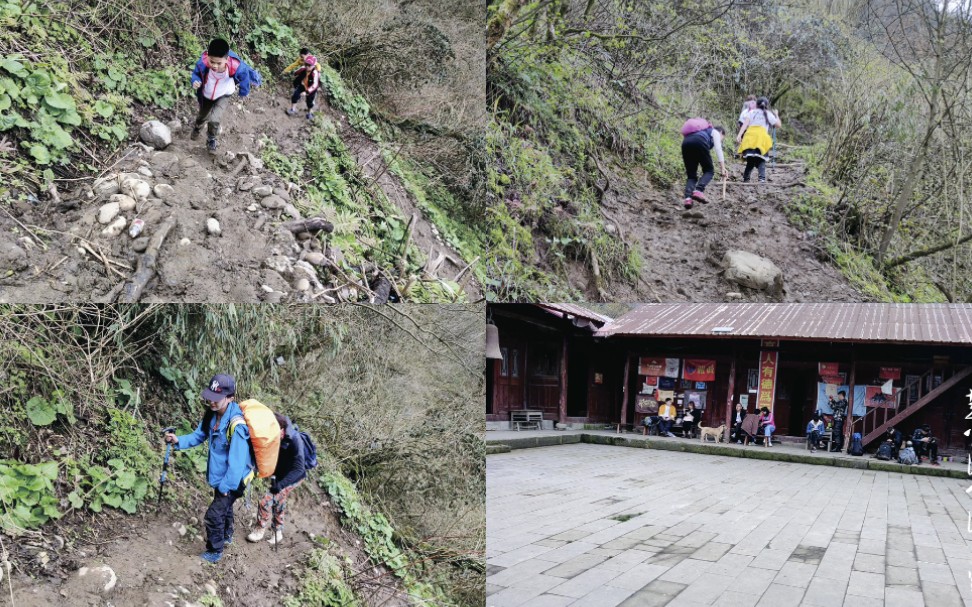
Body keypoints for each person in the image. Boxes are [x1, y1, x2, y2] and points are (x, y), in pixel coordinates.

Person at [164, 374, 255, 563]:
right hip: (220, 475)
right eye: (209, 397)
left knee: (213, 515)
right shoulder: (212, 415)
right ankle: (227, 534)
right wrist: (178, 440)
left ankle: (215, 551)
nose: (211, 402)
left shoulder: (237, 426)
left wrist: (225, 487)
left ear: (230, 398)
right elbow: (199, 435)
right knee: (224, 507)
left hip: (235, 479)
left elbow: (237, 464)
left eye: (216, 398)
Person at [247, 414, 307, 545]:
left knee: (266, 501)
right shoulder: (273, 435)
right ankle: (277, 532)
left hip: (294, 476)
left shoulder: (295, 440)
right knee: (279, 501)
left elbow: (298, 469)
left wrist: (281, 485)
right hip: (279, 474)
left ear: (283, 429)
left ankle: (259, 529)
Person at [190, 39, 258, 153]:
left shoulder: (236, 66)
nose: (215, 66)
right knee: (202, 116)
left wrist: (243, 92)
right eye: (212, 62)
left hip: (223, 95)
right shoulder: (202, 63)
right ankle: (197, 128)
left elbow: (245, 77)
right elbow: (196, 74)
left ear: (226, 59)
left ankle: (211, 139)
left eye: (219, 63)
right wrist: (195, 81)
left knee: (214, 119)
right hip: (207, 94)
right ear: (207, 56)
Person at [680, 118, 727, 209]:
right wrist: (723, 168)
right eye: (722, 139)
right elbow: (718, 149)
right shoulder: (715, 132)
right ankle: (699, 190)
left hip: (685, 143)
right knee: (709, 171)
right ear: (721, 133)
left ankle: (688, 198)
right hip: (700, 142)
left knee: (691, 176)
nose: (721, 140)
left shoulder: (701, 132)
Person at [735, 97, 781, 183]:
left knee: (751, 160)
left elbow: (745, 125)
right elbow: (778, 125)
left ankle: (746, 178)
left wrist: (739, 135)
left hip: (750, 138)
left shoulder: (751, 112)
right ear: (766, 105)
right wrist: (776, 115)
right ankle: (761, 179)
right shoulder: (768, 114)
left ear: (756, 105)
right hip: (761, 139)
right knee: (761, 159)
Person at [284, 53, 321, 120]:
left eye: (309, 65)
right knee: (295, 96)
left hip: (311, 89)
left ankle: (309, 113)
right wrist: (293, 73)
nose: (307, 66)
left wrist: (306, 92)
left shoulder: (315, 73)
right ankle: (293, 109)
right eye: (306, 64)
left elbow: (315, 85)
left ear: (313, 66)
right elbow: (297, 72)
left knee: (309, 102)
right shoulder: (303, 68)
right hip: (303, 85)